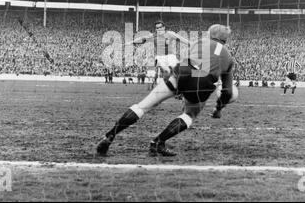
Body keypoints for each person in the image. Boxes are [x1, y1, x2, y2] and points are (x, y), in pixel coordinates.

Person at [96, 24, 237, 157]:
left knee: (143, 106)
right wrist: (218, 109)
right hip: (203, 83)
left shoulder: (200, 42)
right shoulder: (229, 58)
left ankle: (110, 135)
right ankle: (158, 142)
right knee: (189, 115)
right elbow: (228, 92)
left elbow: (189, 61)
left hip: (183, 72)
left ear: (210, 34)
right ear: (225, 39)